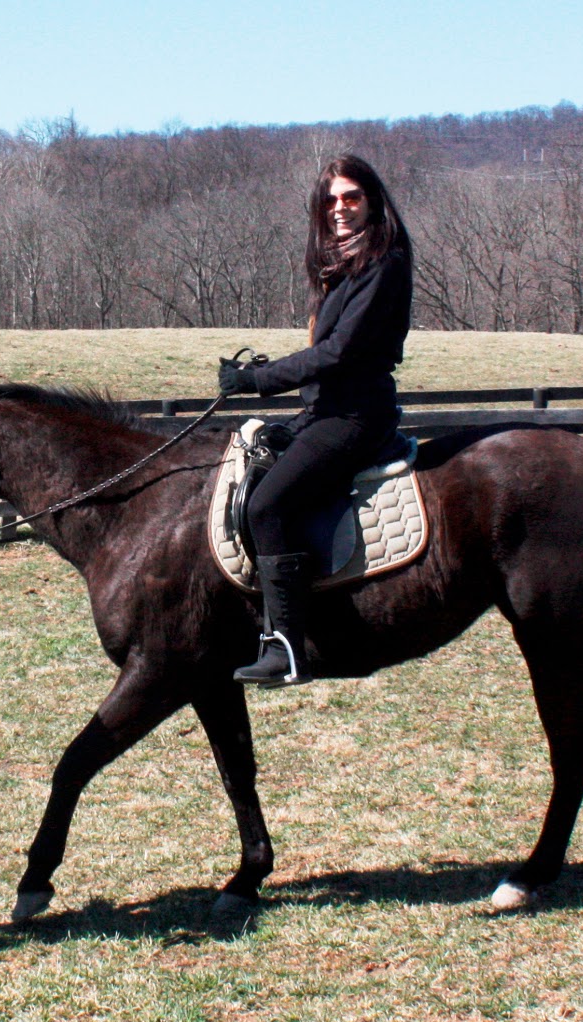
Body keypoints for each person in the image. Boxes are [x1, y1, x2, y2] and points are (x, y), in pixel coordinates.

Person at [217, 154, 413, 687]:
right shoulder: (343, 265)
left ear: (371, 201)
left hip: (355, 414)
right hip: (325, 409)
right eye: (330, 200)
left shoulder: (385, 262)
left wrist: (258, 382)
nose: (339, 208)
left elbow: (340, 352)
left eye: (350, 197)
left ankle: (288, 648)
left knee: (269, 502)